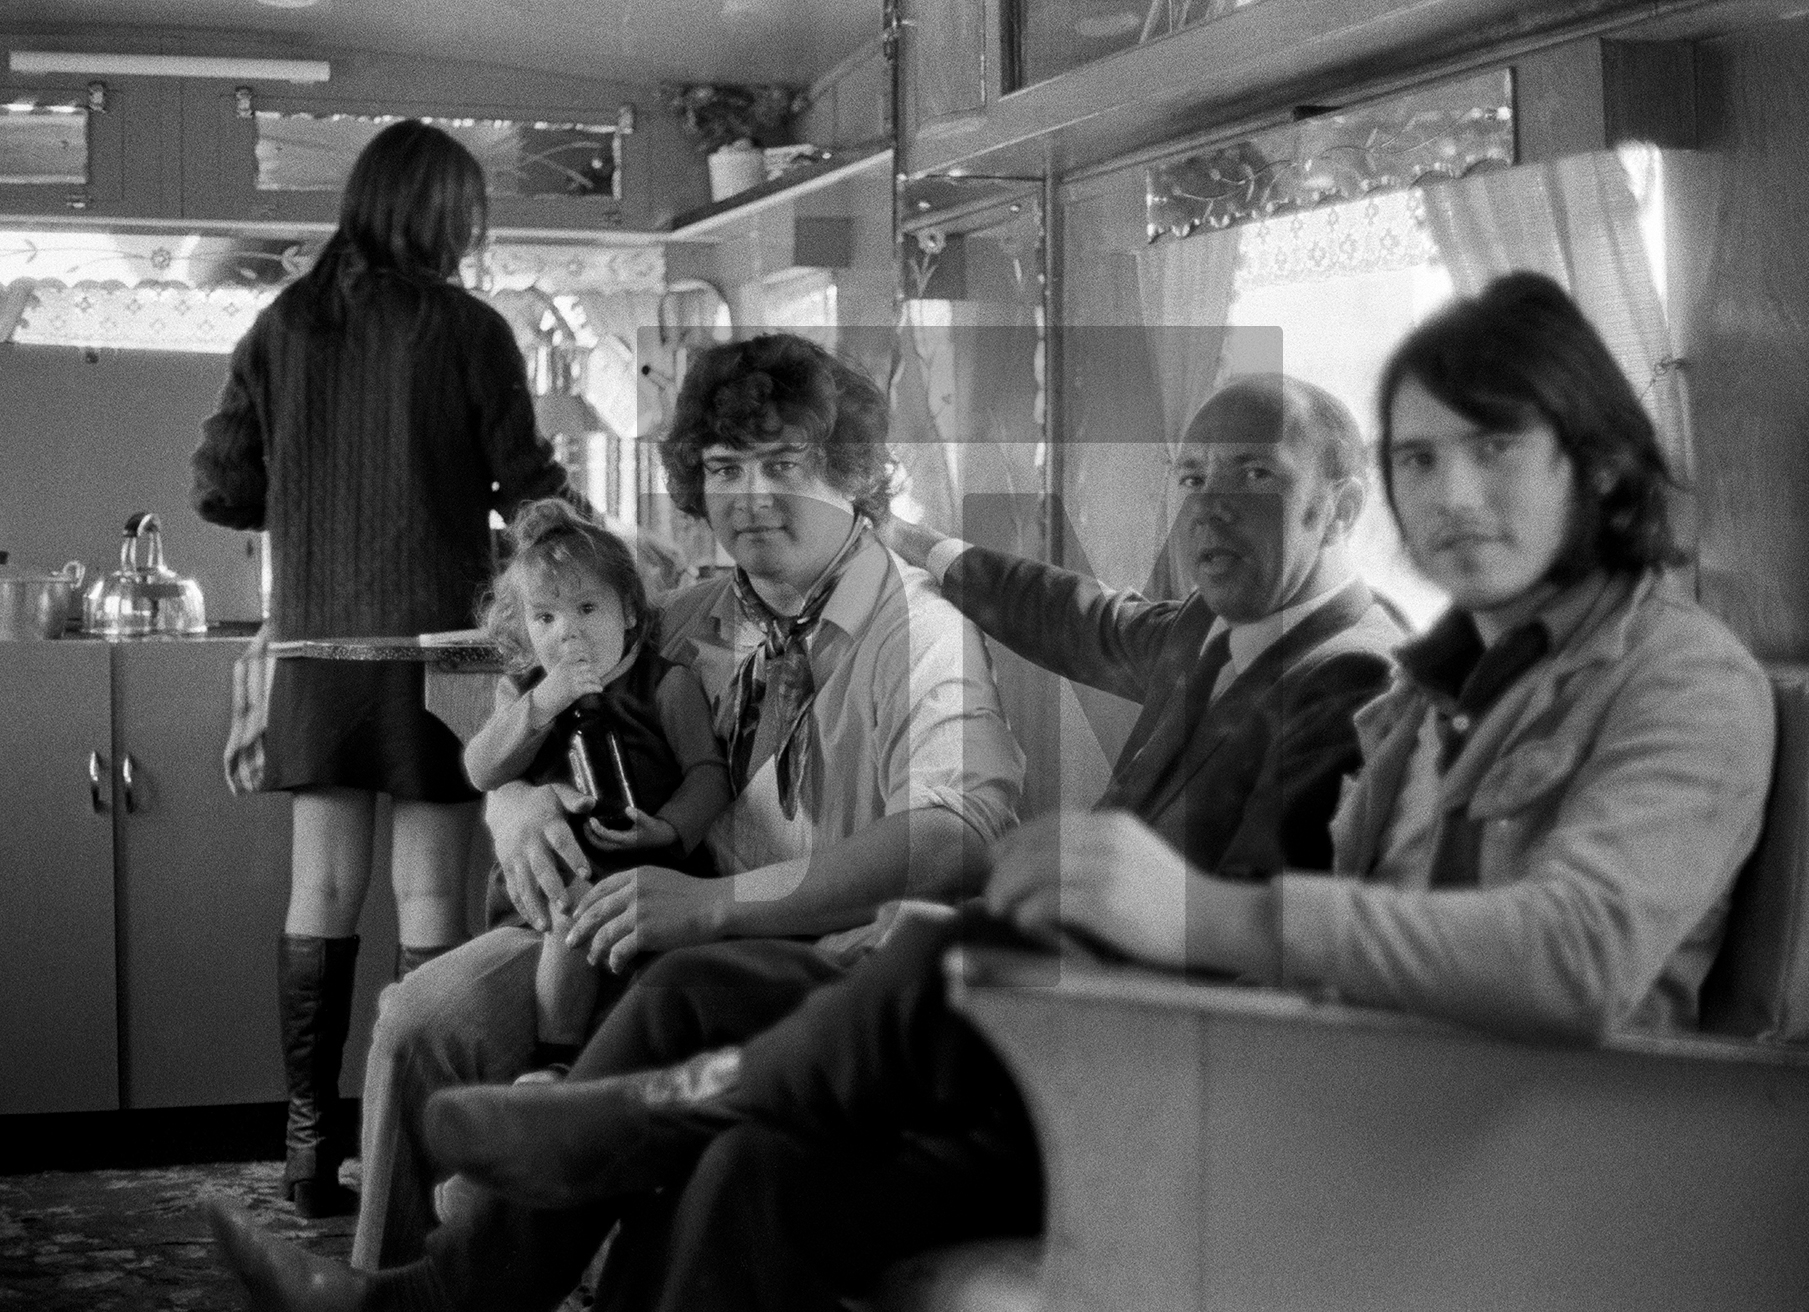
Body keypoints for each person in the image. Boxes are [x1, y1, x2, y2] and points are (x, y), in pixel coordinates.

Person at [203, 369, 1406, 1310]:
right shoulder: (1201, 631)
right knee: (524, 1015)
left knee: (741, 1108)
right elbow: (1072, 612)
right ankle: (429, 1289)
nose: (753, 500)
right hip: (716, 928)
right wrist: (512, 794)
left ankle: (578, 1141)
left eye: (1249, 474)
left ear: (1342, 505)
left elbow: (1177, 918)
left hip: (1082, 1063)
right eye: (1190, 476)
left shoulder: (1345, 687)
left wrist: (997, 930)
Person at [346, 331, 1027, 1268]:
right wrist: (515, 803)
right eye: (723, 467)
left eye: (783, 464)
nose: (750, 496)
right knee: (420, 1020)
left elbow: (957, 836)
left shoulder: (922, 632)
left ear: (853, 475)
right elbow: (523, 685)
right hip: (630, 918)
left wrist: (713, 906)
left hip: (812, 956)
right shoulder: (693, 612)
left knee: (651, 1061)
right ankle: (386, 1285)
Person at [190, 120, 570, 1218]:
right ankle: (414, 1142)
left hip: (318, 646)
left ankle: (307, 1151)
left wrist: (313, 488)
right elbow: (526, 486)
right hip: (440, 653)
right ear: (444, 217)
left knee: (320, 890)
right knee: (430, 892)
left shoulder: (284, 325)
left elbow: (222, 488)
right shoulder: (470, 330)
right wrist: (594, 561)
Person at [465, 498, 732, 1078]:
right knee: (571, 910)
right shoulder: (524, 691)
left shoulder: (667, 684)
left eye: (587, 608)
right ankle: (555, 1059)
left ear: (629, 612)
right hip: (555, 878)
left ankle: (563, 1062)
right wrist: (541, 703)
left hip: (648, 865)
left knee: (590, 917)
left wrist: (668, 828)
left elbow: (708, 775)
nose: (569, 633)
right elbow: (482, 769)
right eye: (546, 618)